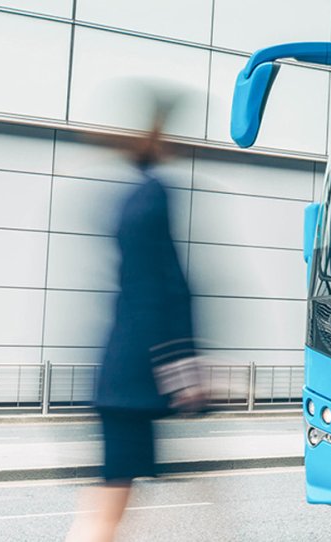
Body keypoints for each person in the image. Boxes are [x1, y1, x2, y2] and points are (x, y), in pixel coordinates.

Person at [67, 98, 202, 542]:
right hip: (134, 377)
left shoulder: (128, 196)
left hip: (121, 372)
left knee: (114, 491)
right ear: (154, 137)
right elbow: (163, 286)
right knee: (112, 495)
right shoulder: (153, 195)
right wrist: (183, 372)